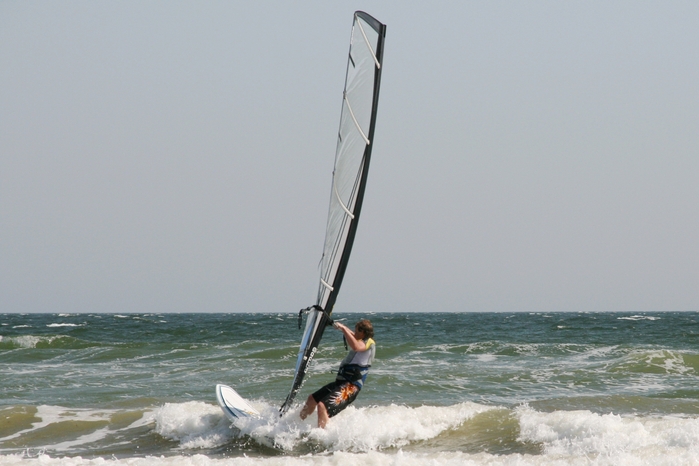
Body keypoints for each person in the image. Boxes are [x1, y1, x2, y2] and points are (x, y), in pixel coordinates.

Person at [299, 319, 375, 428]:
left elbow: (356, 347)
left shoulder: (369, 342)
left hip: (351, 387)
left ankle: (322, 437)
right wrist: (340, 326)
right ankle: (295, 425)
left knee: (322, 406)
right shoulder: (361, 339)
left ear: (363, 333)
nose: (354, 333)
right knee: (312, 399)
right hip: (341, 383)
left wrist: (343, 329)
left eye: (357, 331)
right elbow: (353, 335)